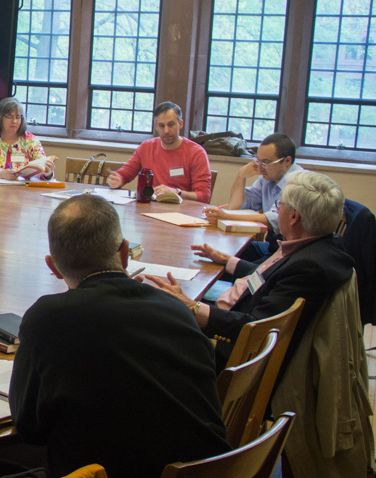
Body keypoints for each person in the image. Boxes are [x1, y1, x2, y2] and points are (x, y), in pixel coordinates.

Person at [8, 194, 229, 478]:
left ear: (53, 266)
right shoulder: (176, 310)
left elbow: (30, 429)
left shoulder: (48, 319)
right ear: (125, 253)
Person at [146, 170, 354, 371]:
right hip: (237, 316)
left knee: (150, 332)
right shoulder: (317, 247)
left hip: (233, 356)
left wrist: (191, 307)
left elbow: (255, 327)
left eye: (279, 205)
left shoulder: (309, 269)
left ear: (293, 216)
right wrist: (226, 260)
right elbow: (271, 277)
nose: (276, 210)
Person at [204, 133, 304, 261]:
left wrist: (225, 216)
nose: (260, 168)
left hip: (290, 253)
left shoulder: (297, 182)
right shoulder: (268, 178)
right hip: (273, 246)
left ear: (287, 161)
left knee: (233, 266)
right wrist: (241, 176)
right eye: (258, 161)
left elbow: (274, 221)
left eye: (266, 162)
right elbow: (237, 206)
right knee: (220, 251)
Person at [107, 102, 212, 202]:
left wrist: (176, 192)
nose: (166, 131)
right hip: (150, 208)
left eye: (171, 125)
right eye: (162, 126)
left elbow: (204, 196)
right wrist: (118, 179)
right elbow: (126, 172)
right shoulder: (146, 147)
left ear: (180, 124)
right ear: (156, 126)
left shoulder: (196, 153)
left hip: (181, 213)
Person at [0, 97, 55, 180]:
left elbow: (41, 168)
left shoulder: (31, 140)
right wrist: (2, 173)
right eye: (9, 117)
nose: (14, 121)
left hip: (24, 190)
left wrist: (48, 173)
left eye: (18, 117)